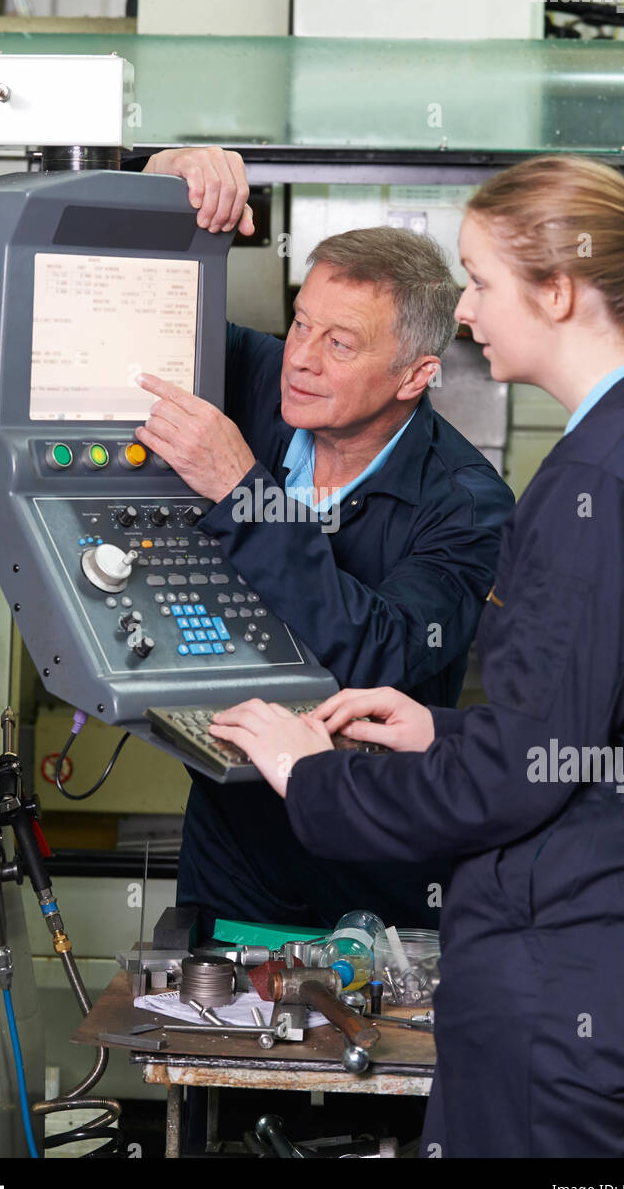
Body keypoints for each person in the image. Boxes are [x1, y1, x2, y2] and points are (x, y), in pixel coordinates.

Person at [209, 153, 624, 1158]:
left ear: (559, 290)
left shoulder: (600, 481)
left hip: (563, 946)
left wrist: (311, 777)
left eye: (482, 281)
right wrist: (439, 726)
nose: (469, 311)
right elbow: (595, 725)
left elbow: (524, 776)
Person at [138, 147, 514, 937]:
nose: (302, 361)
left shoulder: (469, 505)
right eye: (301, 323)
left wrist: (246, 496)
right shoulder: (259, 377)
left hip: (374, 874)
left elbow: (379, 657)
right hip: (232, 854)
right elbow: (142, 316)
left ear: (415, 376)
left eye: (340, 344)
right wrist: (161, 186)